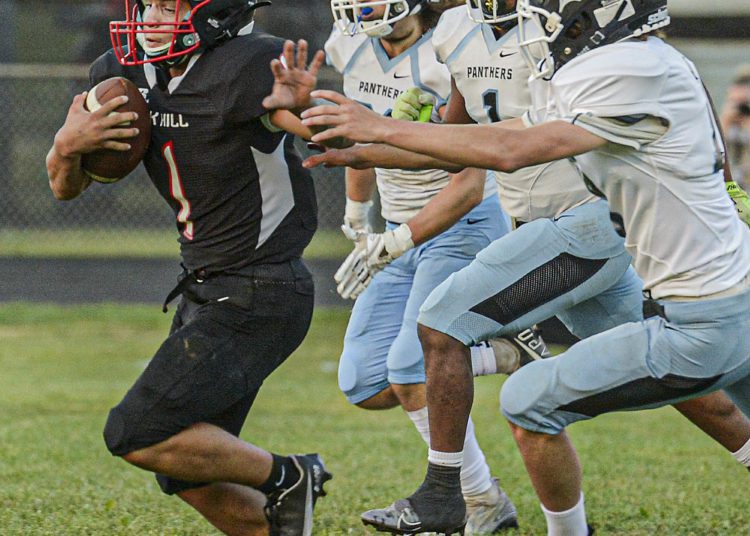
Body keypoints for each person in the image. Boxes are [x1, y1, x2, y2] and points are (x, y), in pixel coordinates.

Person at [299, 0, 750, 533]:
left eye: (564, 14)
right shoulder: (626, 61)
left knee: (452, 332)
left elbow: (511, 147)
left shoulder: (620, 69)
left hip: (590, 235)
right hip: (597, 244)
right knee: (691, 386)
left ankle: (448, 495)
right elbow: (472, 145)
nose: (550, 22)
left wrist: (381, 131)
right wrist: (369, 146)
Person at [45, 2, 332, 535]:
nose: (152, 18)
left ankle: (289, 475)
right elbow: (66, 186)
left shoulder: (249, 64)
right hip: (207, 287)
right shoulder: (121, 73)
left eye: (170, 6)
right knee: (184, 466)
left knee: (137, 432)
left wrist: (310, 108)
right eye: (149, 4)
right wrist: (67, 146)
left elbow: (326, 135)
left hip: (261, 290)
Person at [319, 1, 533, 532]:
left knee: (411, 368)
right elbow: (358, 143)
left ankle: (479, 499)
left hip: (460, 223)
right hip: (398, 228)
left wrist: (400, 239)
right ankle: (498, 352)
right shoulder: (349, 43)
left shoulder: (452, 48)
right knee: (365, 383)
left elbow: (471, 179)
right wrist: (359, 221)